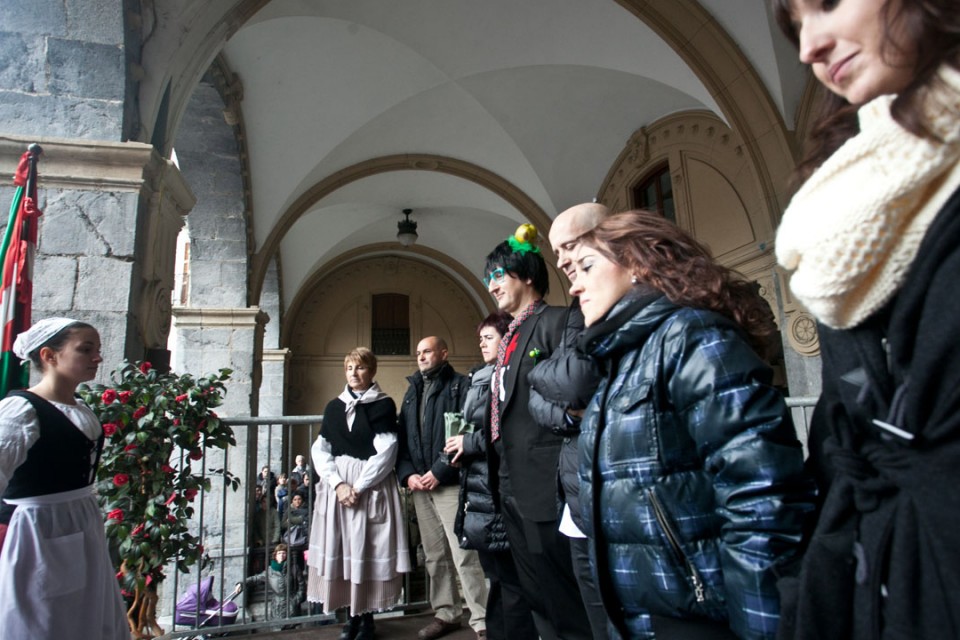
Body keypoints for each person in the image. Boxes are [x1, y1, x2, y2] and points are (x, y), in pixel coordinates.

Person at [771, 1, 960, 637]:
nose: (809, 48)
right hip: (873, 571)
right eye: (796, 26)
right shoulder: (841, 206)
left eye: (826, 4)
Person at [569, 211, 815, 639]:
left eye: (587, 266)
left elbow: (762, 498)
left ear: (639, 265)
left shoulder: (694, 337)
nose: (574, 284)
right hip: (642, 615)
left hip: (696, 619)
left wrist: (762, 627)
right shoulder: (624, 355)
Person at [483, 225, 593, 640]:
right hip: (509, 482)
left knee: (565, 597)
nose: (492, 285)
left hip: (548, 483)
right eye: (488, 278)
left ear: (527, 275)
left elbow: (572, 394)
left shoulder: (559, 321)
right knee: (535, 595)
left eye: (499, 275)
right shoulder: (509, 335)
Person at [0, 317, 128, 639]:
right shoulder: (21, 410)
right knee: (44, 615)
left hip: (80, 520)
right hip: (37, 527)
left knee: (84, 612)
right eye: (86, 350)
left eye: (97, 350)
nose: (97, 358)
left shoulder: (80, 407)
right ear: (49, 355)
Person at [528, 202, 609, 639]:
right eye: (560, 255)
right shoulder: (582, 315)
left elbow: (575, 382)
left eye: (576, 254)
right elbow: (536, 399)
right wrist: (549, 384)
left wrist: (545, 379)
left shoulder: (576, 317)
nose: (563, 265)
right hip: (577, 502)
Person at [445, 311, 538, 640]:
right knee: (497, 577)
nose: (481, 343)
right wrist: (463, 451)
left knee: (511, 581)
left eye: (489, 337)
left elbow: (512, 432)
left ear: (506, 341)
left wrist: (468, 443)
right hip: (480, 487)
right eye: (480, 337)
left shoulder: (509, 378)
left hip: (499, 491)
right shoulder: (481, 379)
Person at [306, 347, 411, 640]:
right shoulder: (333, 407)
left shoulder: (384, 405)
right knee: (343, 549)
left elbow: (387, 450)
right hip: (338, 489)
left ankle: (367, 619)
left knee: (366, 548)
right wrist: (338, 484)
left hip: (369, 486)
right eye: (350, 367)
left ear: (372, 371)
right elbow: (321, 449)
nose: (354, 373)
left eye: (360, 367)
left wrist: (359, 486)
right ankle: (350, 618)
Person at [396, 337, 488, 640]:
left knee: (463, 554)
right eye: (418, 352)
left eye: (427, 351)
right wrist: (409, 474)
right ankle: (447, 613)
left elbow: (463, 431)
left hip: (448, 484)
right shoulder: (412, 392)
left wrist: (439, 471)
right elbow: (404, 440)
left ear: (443, 353)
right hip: (420, 486)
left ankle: (482, 619)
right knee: (434, 555)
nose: (421, 356)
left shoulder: (460, 387)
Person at [244, 543, 305, 627]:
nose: (281, 555)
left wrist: (297, 599)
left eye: (284, 553)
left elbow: (302, 585)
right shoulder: (270, 571)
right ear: (275, 555)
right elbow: (256, 578)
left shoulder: (294, 568)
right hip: (277, 606)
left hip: (292, 604)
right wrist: (242, 583)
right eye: (279, 553)